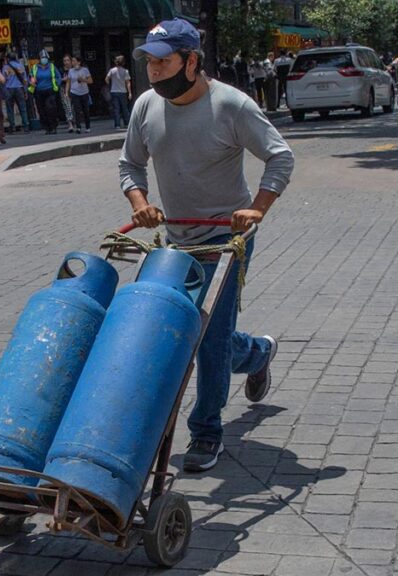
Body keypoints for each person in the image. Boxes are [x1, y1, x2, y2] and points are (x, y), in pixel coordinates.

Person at [119, 19, 293, 473]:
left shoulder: (231, 105)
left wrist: (257, 209)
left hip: (226, 238)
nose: (154, 72)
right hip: (176, 238)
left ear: (192, 61)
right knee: (178, 328)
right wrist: (140, 203)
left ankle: (206, 431)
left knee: (210, 336)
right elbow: (130, 165)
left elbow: (280, 155)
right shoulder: (145, 106)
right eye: (150, 63)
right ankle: (258, 353)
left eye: (164, 61)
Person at [29, 50, 62, 134]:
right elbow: (30, 77)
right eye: (42, 58)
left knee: (51, 109)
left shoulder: (52, 67)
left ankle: (53, 126)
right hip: (39, 92)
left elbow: (58, 77)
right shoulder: (35, 67)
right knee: (41, 110)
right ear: (39, 59)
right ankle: (47, 128)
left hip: (50, 90)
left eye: (45, 58)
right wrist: (32, 81)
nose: (44, 59)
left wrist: (57, 85)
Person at [2, 52, 30, 133]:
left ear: (8, 59)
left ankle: (12, 127)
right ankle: (26, 126)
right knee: (22, 108)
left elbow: (3, 80)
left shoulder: (5, 68)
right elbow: (25, 80)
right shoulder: (21, 66)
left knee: (10, 109)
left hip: (9, 89)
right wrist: (25, 91)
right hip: (19, 88)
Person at [66, 55, 93, 134]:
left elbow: (91, 81)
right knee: (77, 110)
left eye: (74, 61)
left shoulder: (85, 70)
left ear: (79, 62)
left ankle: (87, 127)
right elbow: (68, 81)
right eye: (72, 61)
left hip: (84, 92)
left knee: (86, 110)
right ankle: (78, 127)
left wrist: (83, 80)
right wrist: (66, 92)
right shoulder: (70, 71)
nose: (73, 63)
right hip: (74, 92)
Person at [106, 55, 132, 130]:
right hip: (123, 91)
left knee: (116, 109)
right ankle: (126, 123)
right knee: (124, 108)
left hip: (114, 91)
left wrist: (110, 84)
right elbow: (128, 82)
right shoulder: (125, 71)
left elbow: (106, 79)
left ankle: (117, 124)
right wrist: (130, 93)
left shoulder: (112, 70)